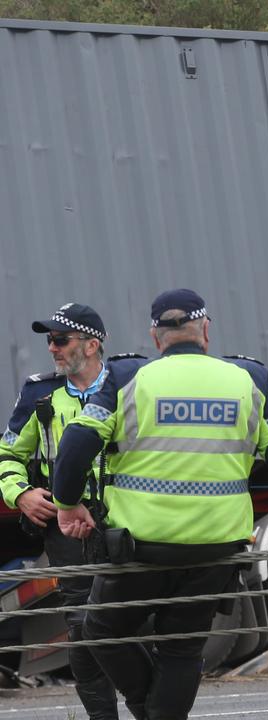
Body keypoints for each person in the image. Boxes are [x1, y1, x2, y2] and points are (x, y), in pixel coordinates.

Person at [51, 289, 268, 720]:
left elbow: (75, 444)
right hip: (216, 548)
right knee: (182, 647)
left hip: (141, 548)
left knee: (102, 631)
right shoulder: (249, 379)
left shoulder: (128, 377)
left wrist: (67, 504)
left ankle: (146, 709)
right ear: (205, 330)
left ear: (155, 335)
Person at [0, 303, 123, 720]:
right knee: (84, 634)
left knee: (139, 628)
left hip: (127, 525)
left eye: (60, 340)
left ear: (91, 345)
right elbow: (7, 456)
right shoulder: (39, 392)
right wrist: (21, 495)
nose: (51, 348)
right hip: (66, 531)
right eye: (48, 340)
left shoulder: (130, 387)